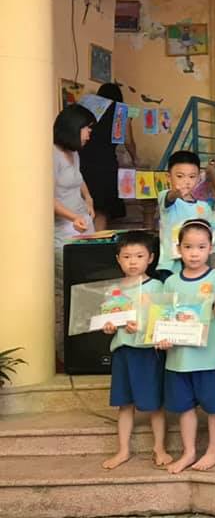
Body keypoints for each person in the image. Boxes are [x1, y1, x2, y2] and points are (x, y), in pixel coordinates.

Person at [158, 219, 215, 474]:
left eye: (201, 247)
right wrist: (161, 338)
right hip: (178, 359)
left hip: (208, 358)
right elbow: (164, 318)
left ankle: (214, 450)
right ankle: (188, 452)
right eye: (188, 247)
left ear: (210, 248)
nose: (194, 253)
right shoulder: (171, 282)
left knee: (213, 406)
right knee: (184, 408)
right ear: (178, 249)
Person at [100, 231, 170, 470]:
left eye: (139, 256)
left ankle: (159, 448)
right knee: (124, 403)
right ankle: (123, 450)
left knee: (154, 403)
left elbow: (163, 319)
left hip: (147, 352)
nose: (133, 261)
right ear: (118, 259)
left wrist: (144, 329)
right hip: (123, 352)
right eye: (127, 256)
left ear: (150, 258)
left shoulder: (157, 286)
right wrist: (109, 327)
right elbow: (108, 323)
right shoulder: (113, 290)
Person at [53, 103, 97, 360]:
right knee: (66, 289)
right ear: (73, 127)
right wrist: (73, 217)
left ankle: (86, 346)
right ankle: (64, 351)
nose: (89, 134)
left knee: (87, 286)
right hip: (64, 230)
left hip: (83, 224)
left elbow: (79, 180)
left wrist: (89, 199)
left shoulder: (74, 153)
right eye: (87, 128)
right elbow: (46, 197)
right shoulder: (51, 154)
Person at [79, 83, 136, 230]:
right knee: (102, 209)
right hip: (105, 164)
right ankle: (99, 240)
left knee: (84, 206)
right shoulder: (120, 110)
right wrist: (135, 158)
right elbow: (128, 140)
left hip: (82, 161)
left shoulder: (88, 107)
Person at [157, 150, 215, 279]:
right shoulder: (166, 197)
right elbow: (170, 197)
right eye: (180, 176)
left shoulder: (204, 207)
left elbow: (212, 232)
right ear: (168, 177)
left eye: (192, 176)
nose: (186, 181)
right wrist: (176, 193)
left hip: (198, 262)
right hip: (172, 265)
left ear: (199, 178)